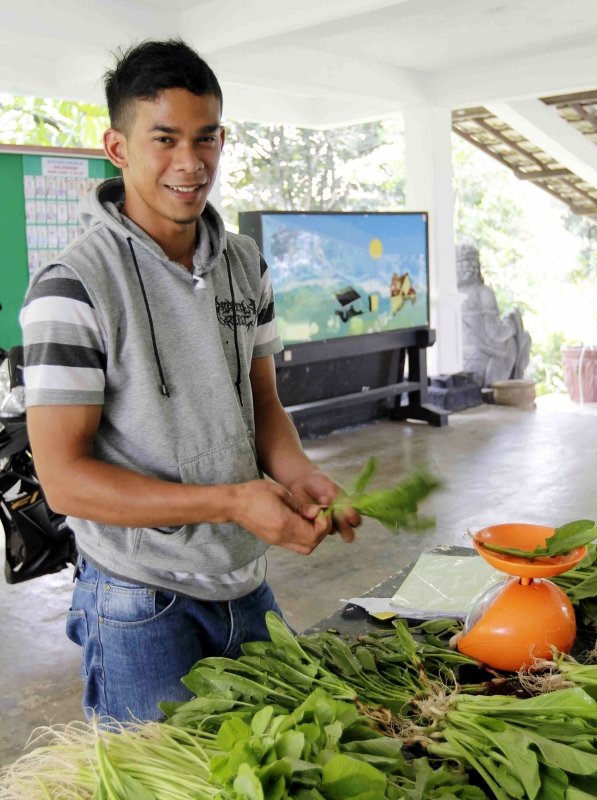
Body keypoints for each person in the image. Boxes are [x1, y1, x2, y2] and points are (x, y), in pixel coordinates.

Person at [20, 39, 360, 723]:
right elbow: (64, 480)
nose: (190, 162)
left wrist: (299, 478)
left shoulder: (244, 264)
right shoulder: (73, 287)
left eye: (205, 139)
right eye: (164, 139)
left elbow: (262, 405)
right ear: (117, 147)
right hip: (138, 603)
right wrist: (234, 502)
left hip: (245, 585)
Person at [456, 243, 531, 387]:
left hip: (460, 363)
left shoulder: (450, 295)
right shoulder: (483, 292)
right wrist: (511, 324)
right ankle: (515, 385)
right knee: (522, 340)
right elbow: (496, 333)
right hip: (486, 362)